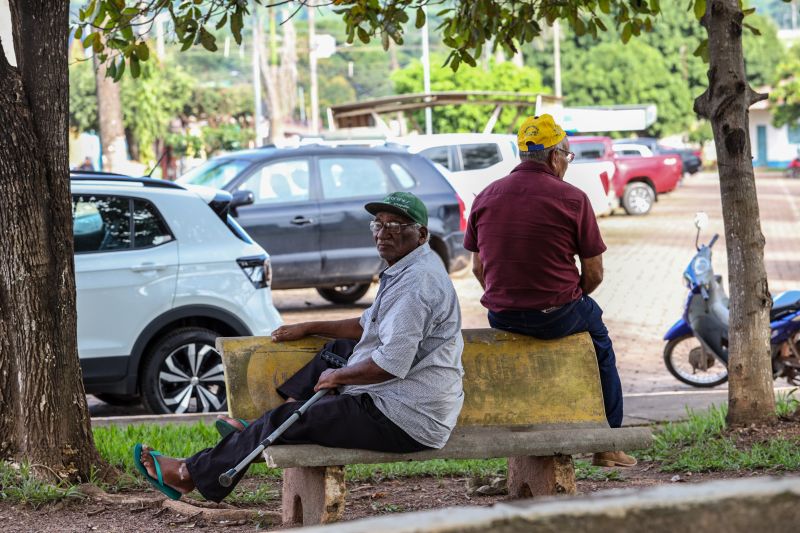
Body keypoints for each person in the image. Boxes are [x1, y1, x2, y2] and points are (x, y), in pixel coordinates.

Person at [133, 191, 465, 501]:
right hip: (401, 396)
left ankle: (188, 474)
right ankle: (272, 420)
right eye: (378, 223)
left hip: (404, 417)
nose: (383, 232)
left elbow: (389, 365)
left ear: (421, 234)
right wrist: (307, 326)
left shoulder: (416, 285)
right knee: (338, 348)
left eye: (396, 225)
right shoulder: (410, 268)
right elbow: (366, 327)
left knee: (288, 419)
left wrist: (339, 378)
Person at [463, 114, 635, 468]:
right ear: (556, 156)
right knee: (599, 341)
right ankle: (607, 444)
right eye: (568, 158)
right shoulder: (572, 199)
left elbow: (479, 269)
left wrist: (508, 298)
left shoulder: (485, 197)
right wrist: (571, 297)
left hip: (503, 315)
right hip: (558, 315)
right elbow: (595, 272)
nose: (567, 165)